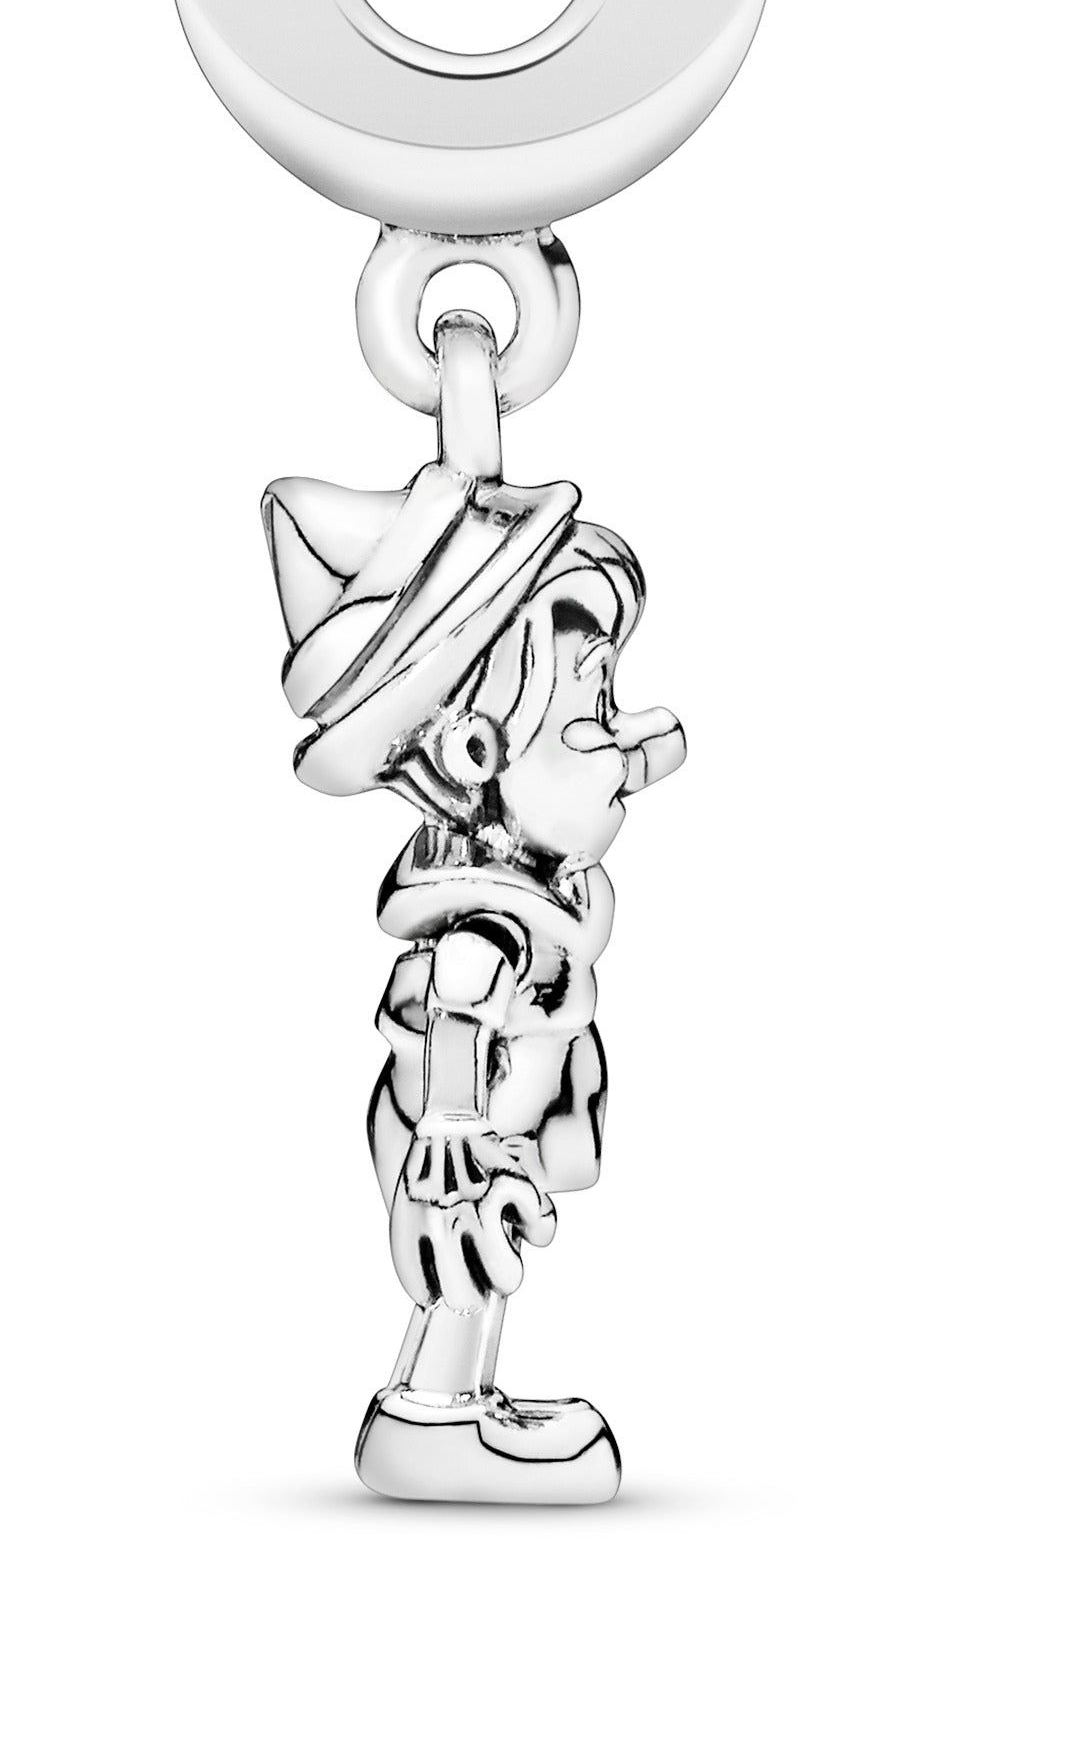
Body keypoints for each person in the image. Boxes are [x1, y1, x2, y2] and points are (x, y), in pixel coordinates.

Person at [264, 430, 684, 1504]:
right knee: (465, 1262)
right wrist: (452, 1125)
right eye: (592, 705)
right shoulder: (484, 926)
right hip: (457, 1143)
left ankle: (457, 1402)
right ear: (472, 753)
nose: (628, 736)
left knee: (487, 1264)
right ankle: (432, 1415)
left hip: (488, 1126)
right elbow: (456, 1003)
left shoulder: (536, 891)